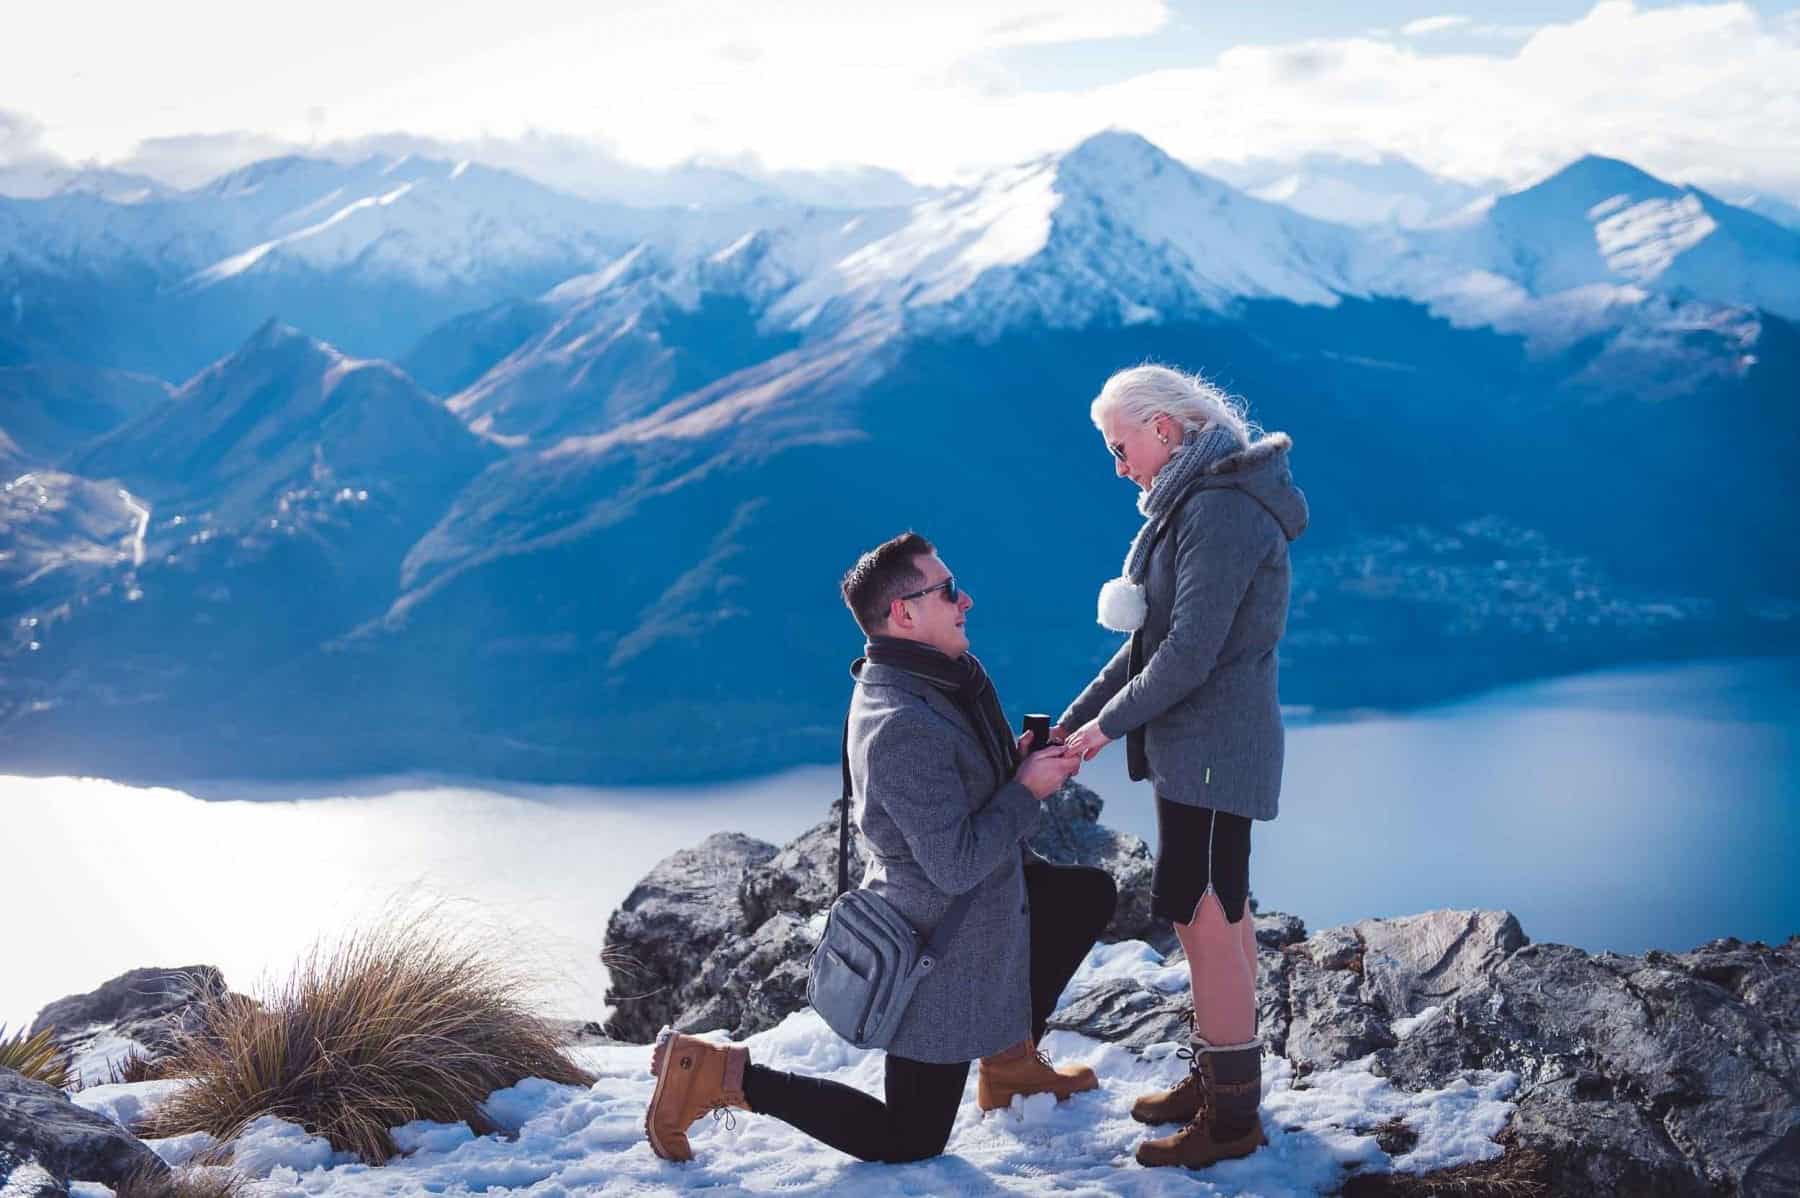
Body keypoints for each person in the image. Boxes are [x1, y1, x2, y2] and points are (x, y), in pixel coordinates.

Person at [645, 532, 1118, 1164]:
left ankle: (1009, 1062)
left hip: (980, 904)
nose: (966, 600)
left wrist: (1014, 764)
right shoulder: (901, 723)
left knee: (1079, 896)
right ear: (904, 613)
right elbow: (954, 866)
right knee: (910, 1139)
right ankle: (717, 1074)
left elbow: (954, 789)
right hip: (940, 947)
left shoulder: (930, 680)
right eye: (948, 590)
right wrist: (1027, 791)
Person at [1057, 365, 1308, 1170]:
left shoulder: (1219, 510)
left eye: (1119, 445)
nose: (1118, 463)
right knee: (1216, 908)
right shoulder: (1203, 502)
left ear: (1163, 428)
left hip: (1210, 749)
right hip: (1202, 748)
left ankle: (1231, 1119)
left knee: (1203, 913)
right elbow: (1146, 650)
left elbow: (1187, 654)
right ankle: (1221, 1080)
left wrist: (1094, 737)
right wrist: (1067, 730)